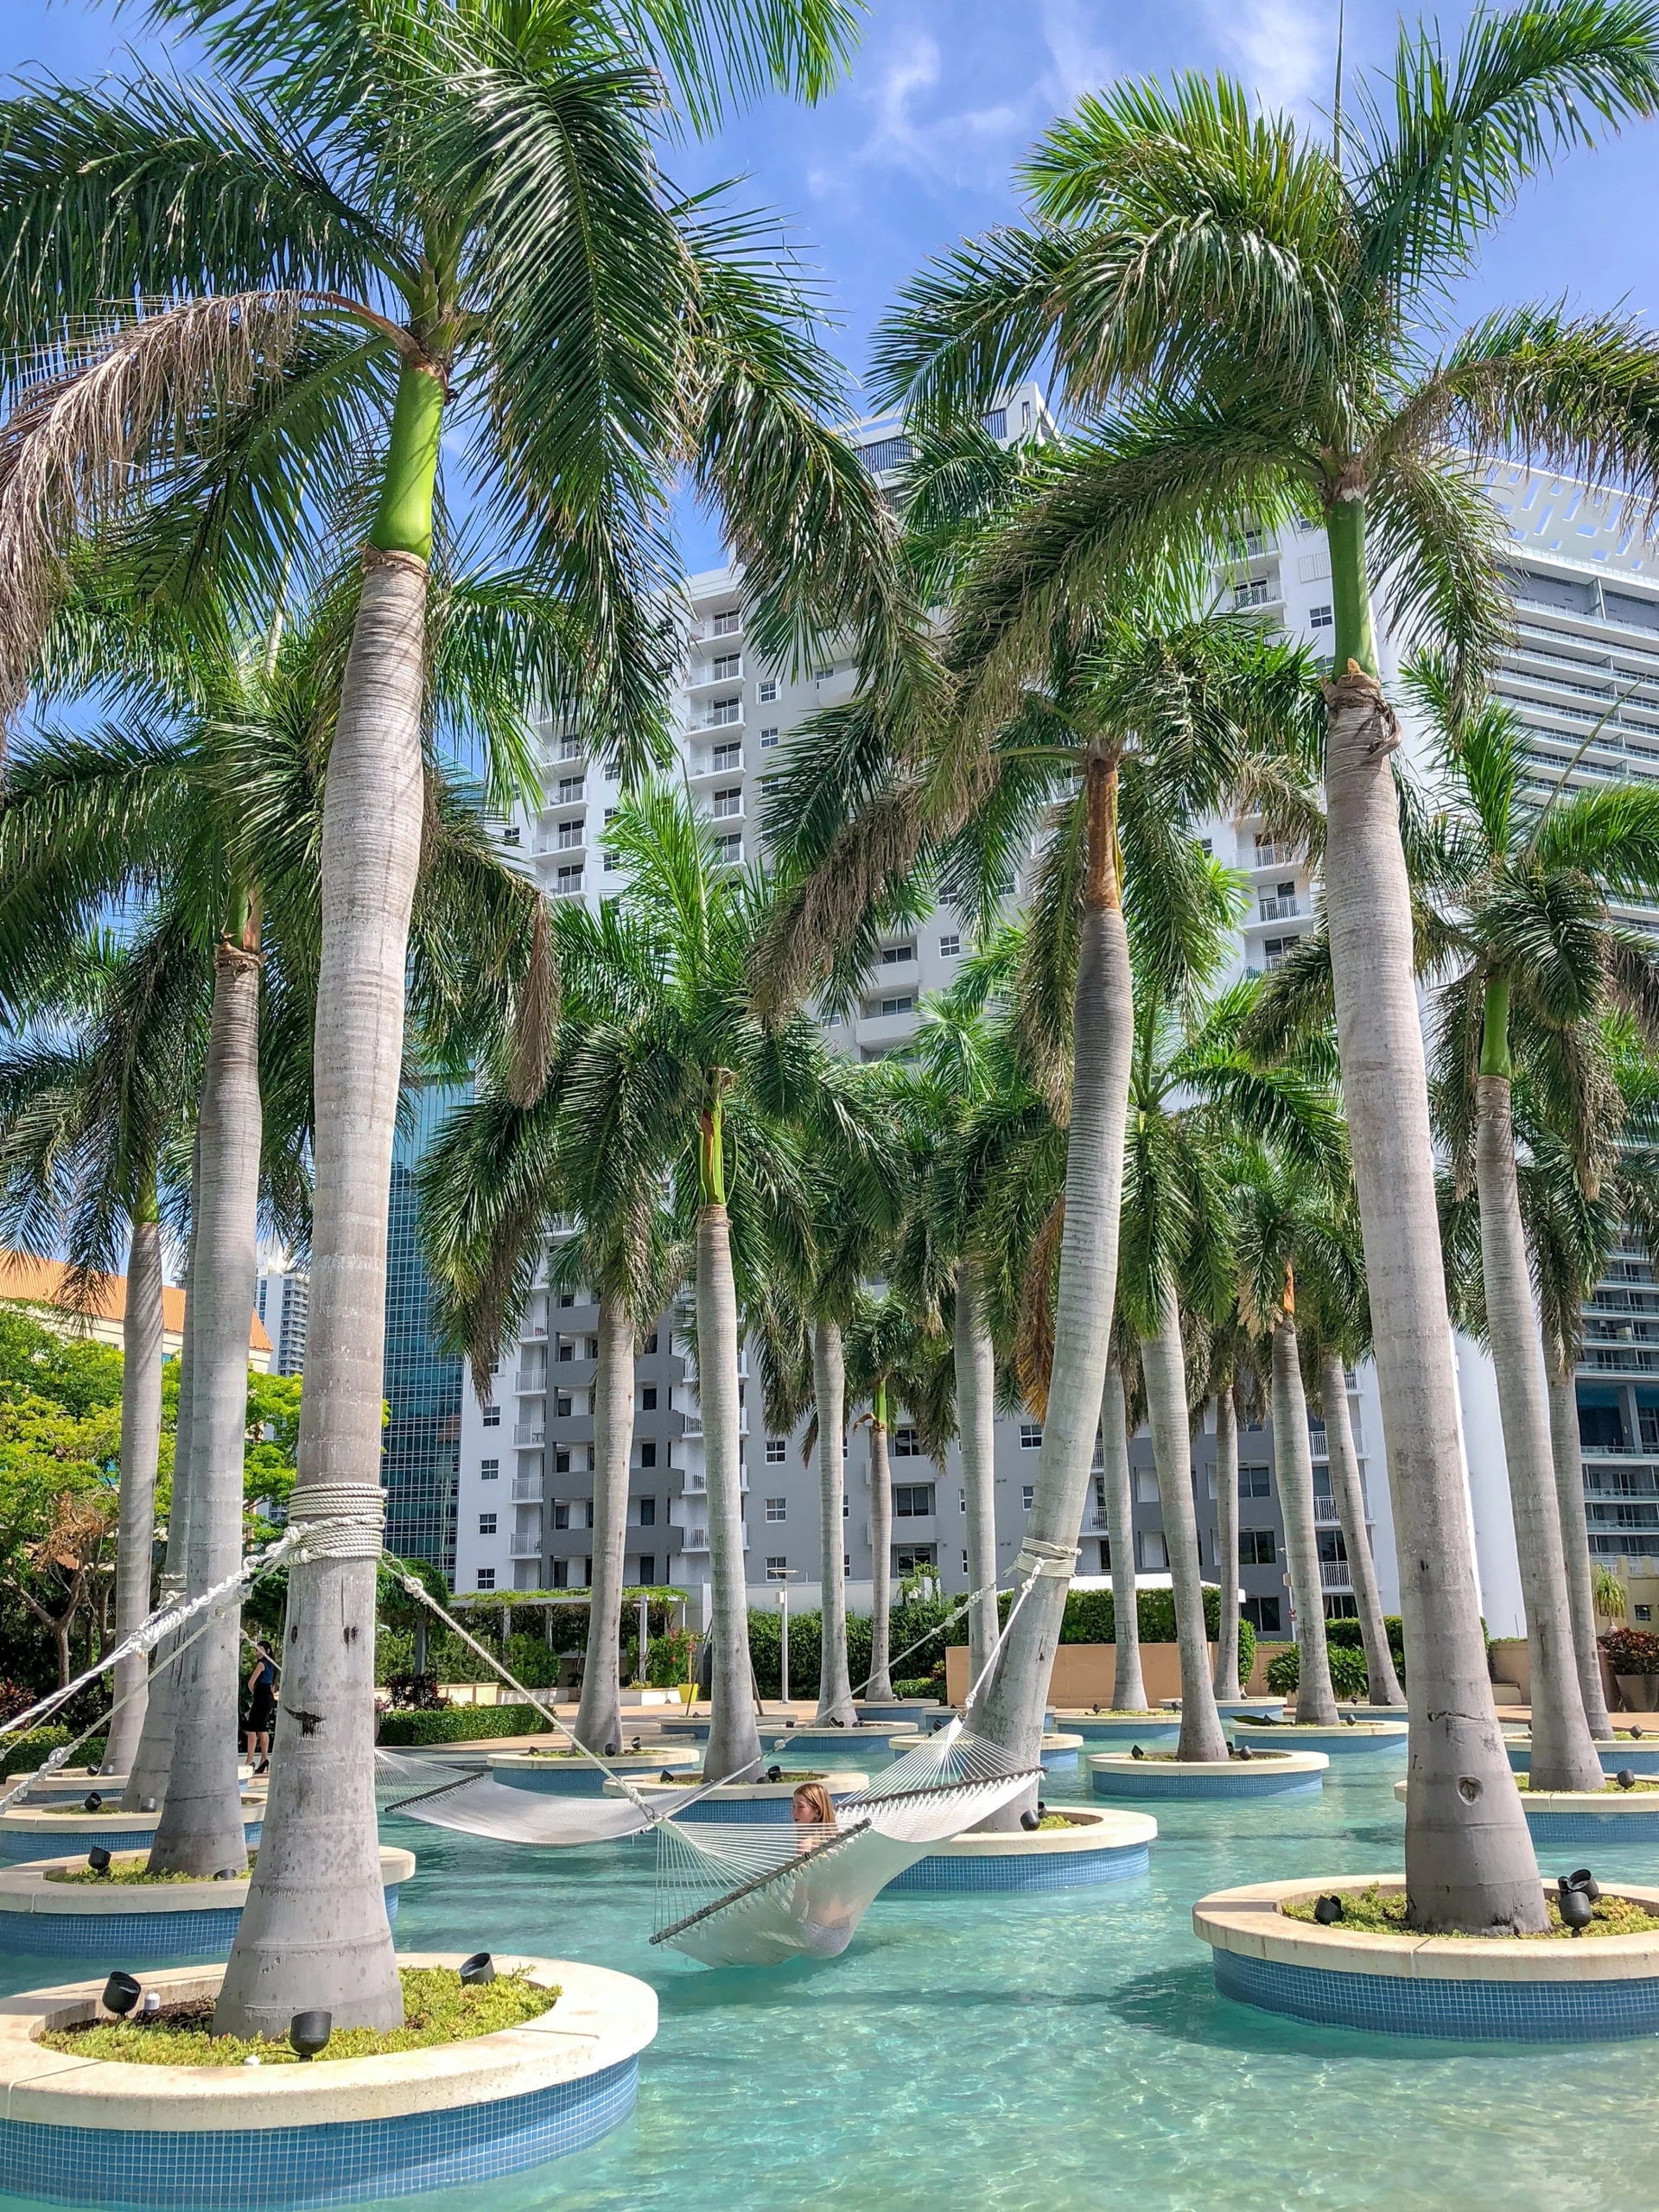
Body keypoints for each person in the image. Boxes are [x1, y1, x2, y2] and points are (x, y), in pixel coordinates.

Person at [245, 1644, 277, 1772]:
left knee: (252, 1729)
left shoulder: (261, 1665)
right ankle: (264, 1759)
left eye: (260, 1649)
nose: (257, 1652)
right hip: (269, 1697)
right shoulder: (273, 1666)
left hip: (261, 1696)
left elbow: (251, 1682)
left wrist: (255, 1693)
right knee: (262, 1728)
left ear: (267, 1651)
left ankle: (250, 1760)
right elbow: (273, 1686)